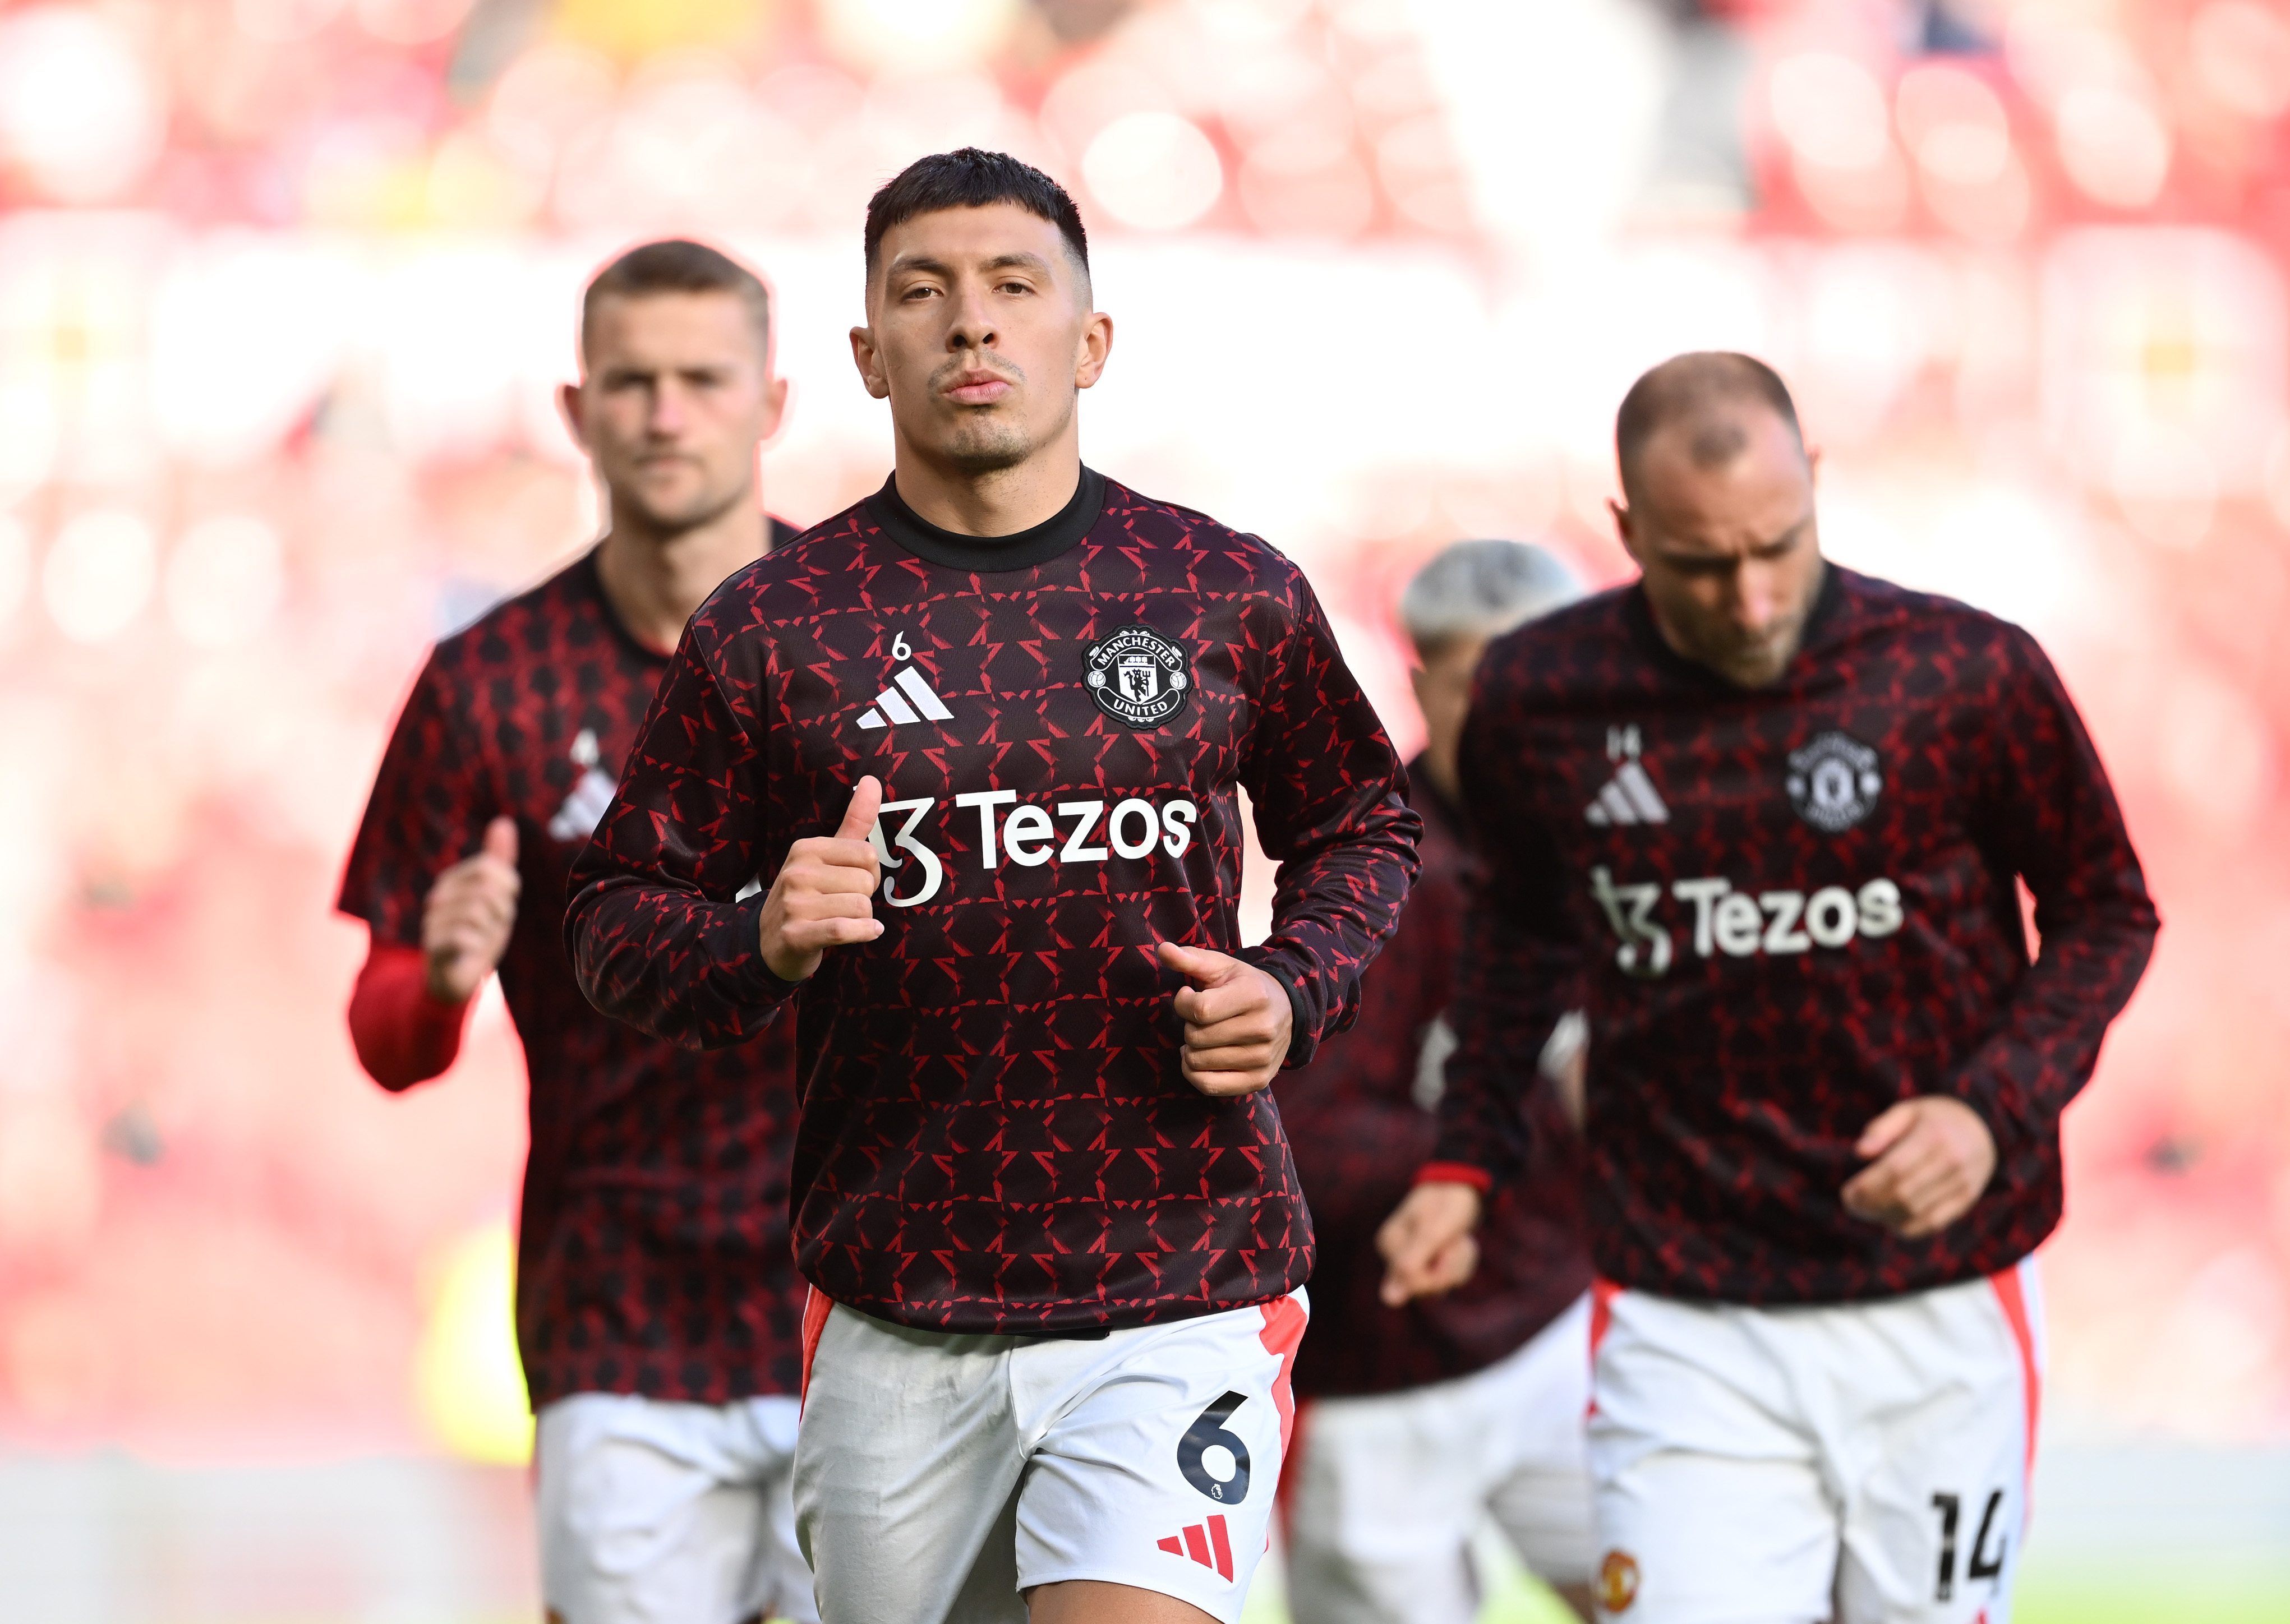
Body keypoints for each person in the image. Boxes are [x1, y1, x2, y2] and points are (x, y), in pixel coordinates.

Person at [564, 149, 1421, 1624]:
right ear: (865, 355)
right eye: (925, 292)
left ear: (1087, 342)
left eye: (1013, 288)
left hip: (1179, 1283)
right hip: (902, 1307)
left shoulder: (1223, 590)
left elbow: (1364, 824)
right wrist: (755, 940)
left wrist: (1292, 986)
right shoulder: (772, 631)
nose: (972, 324)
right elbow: (612, 927)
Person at [1377, 353, 2158, 1624]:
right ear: (1627, 528)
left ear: (1815, 487)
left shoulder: (1966, 672)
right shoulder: (1538, 698)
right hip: (1685, 1304)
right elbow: (1520, 942)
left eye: (1775, 547)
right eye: (1697, 564)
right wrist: (1464, 1163)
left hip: (1937, 1295)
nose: (1746, 600)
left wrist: (1986, 1108)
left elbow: (2105, 909)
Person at [338, 239, 816, 1624]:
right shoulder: (486, 684)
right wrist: (437, 979)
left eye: (701, 379)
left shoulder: (868, 650)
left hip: (862, 1293)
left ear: (769, 403)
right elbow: (386, 1042)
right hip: (618, 1305)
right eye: (632, 382)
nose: (665, 413)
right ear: (576, 408)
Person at [1272, 539, 1598, 1624]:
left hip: (1555, 1332)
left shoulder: (1613, 843)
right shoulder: (1375, 876)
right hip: (1380, 1381)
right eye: (1484, 685)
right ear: (1424, 689)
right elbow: (1302, 1148)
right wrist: (1514, 1124)